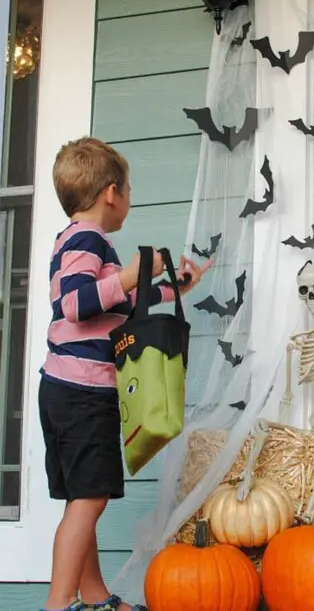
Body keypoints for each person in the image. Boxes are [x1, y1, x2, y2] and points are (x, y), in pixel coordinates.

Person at [38, 137, 211, 611]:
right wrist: (134, 274)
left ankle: (93, 596)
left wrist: (172, 289)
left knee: (81, 498)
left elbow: (115, 304)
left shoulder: (82, 243)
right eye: (130, 191)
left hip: (66, 391)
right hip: (80, 392)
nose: (129, 200)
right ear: (111, 193)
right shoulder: (86, 240)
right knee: (90, 499)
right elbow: (74, 305)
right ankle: (59, 602)